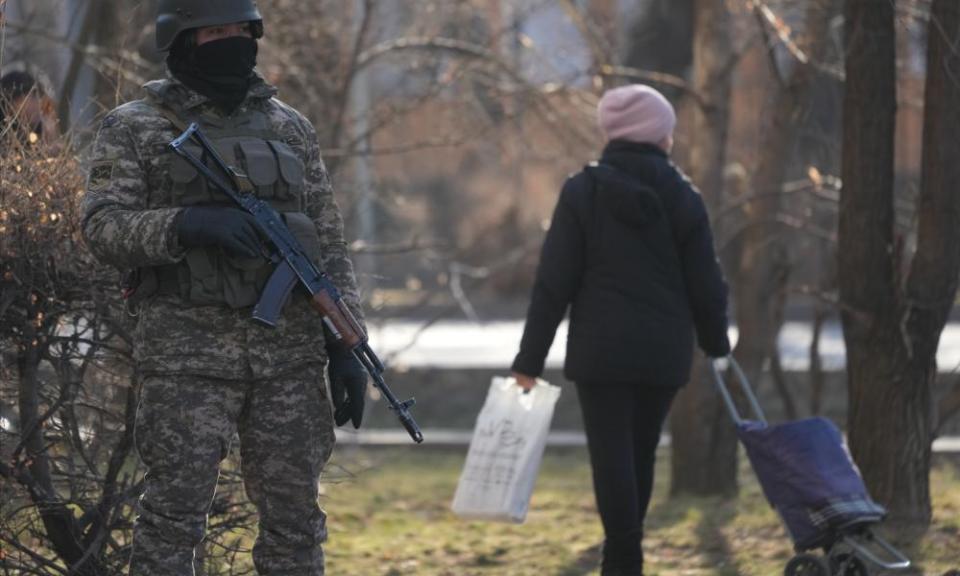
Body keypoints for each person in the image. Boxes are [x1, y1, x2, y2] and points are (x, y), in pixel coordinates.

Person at [80, 1, 369, 574]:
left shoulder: (291, 128)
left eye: (243, 31)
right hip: (186, 358)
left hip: (288, 358)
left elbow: (327, 245)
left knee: (296, 522)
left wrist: (346, 342)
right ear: (183, 41)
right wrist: (187, 223)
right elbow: (102, 228)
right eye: (216, 32)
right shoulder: (136, 126)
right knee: (172, 520)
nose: (233, 42)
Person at [511, 84, 731, 576]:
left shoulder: (581, 192)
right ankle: (626, 553)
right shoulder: (682, 195)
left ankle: (623, 555)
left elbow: (553, 284)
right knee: (642, 451)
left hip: (601, 352)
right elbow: (707, 282)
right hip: (663, 353)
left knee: (611, 454)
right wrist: (716, 342)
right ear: (658, 134)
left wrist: (529, 361)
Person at [0, 70, 62, 150]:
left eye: (38, 96)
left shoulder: (38, 130)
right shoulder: (6, 137)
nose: (38, 104)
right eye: (33, 95)